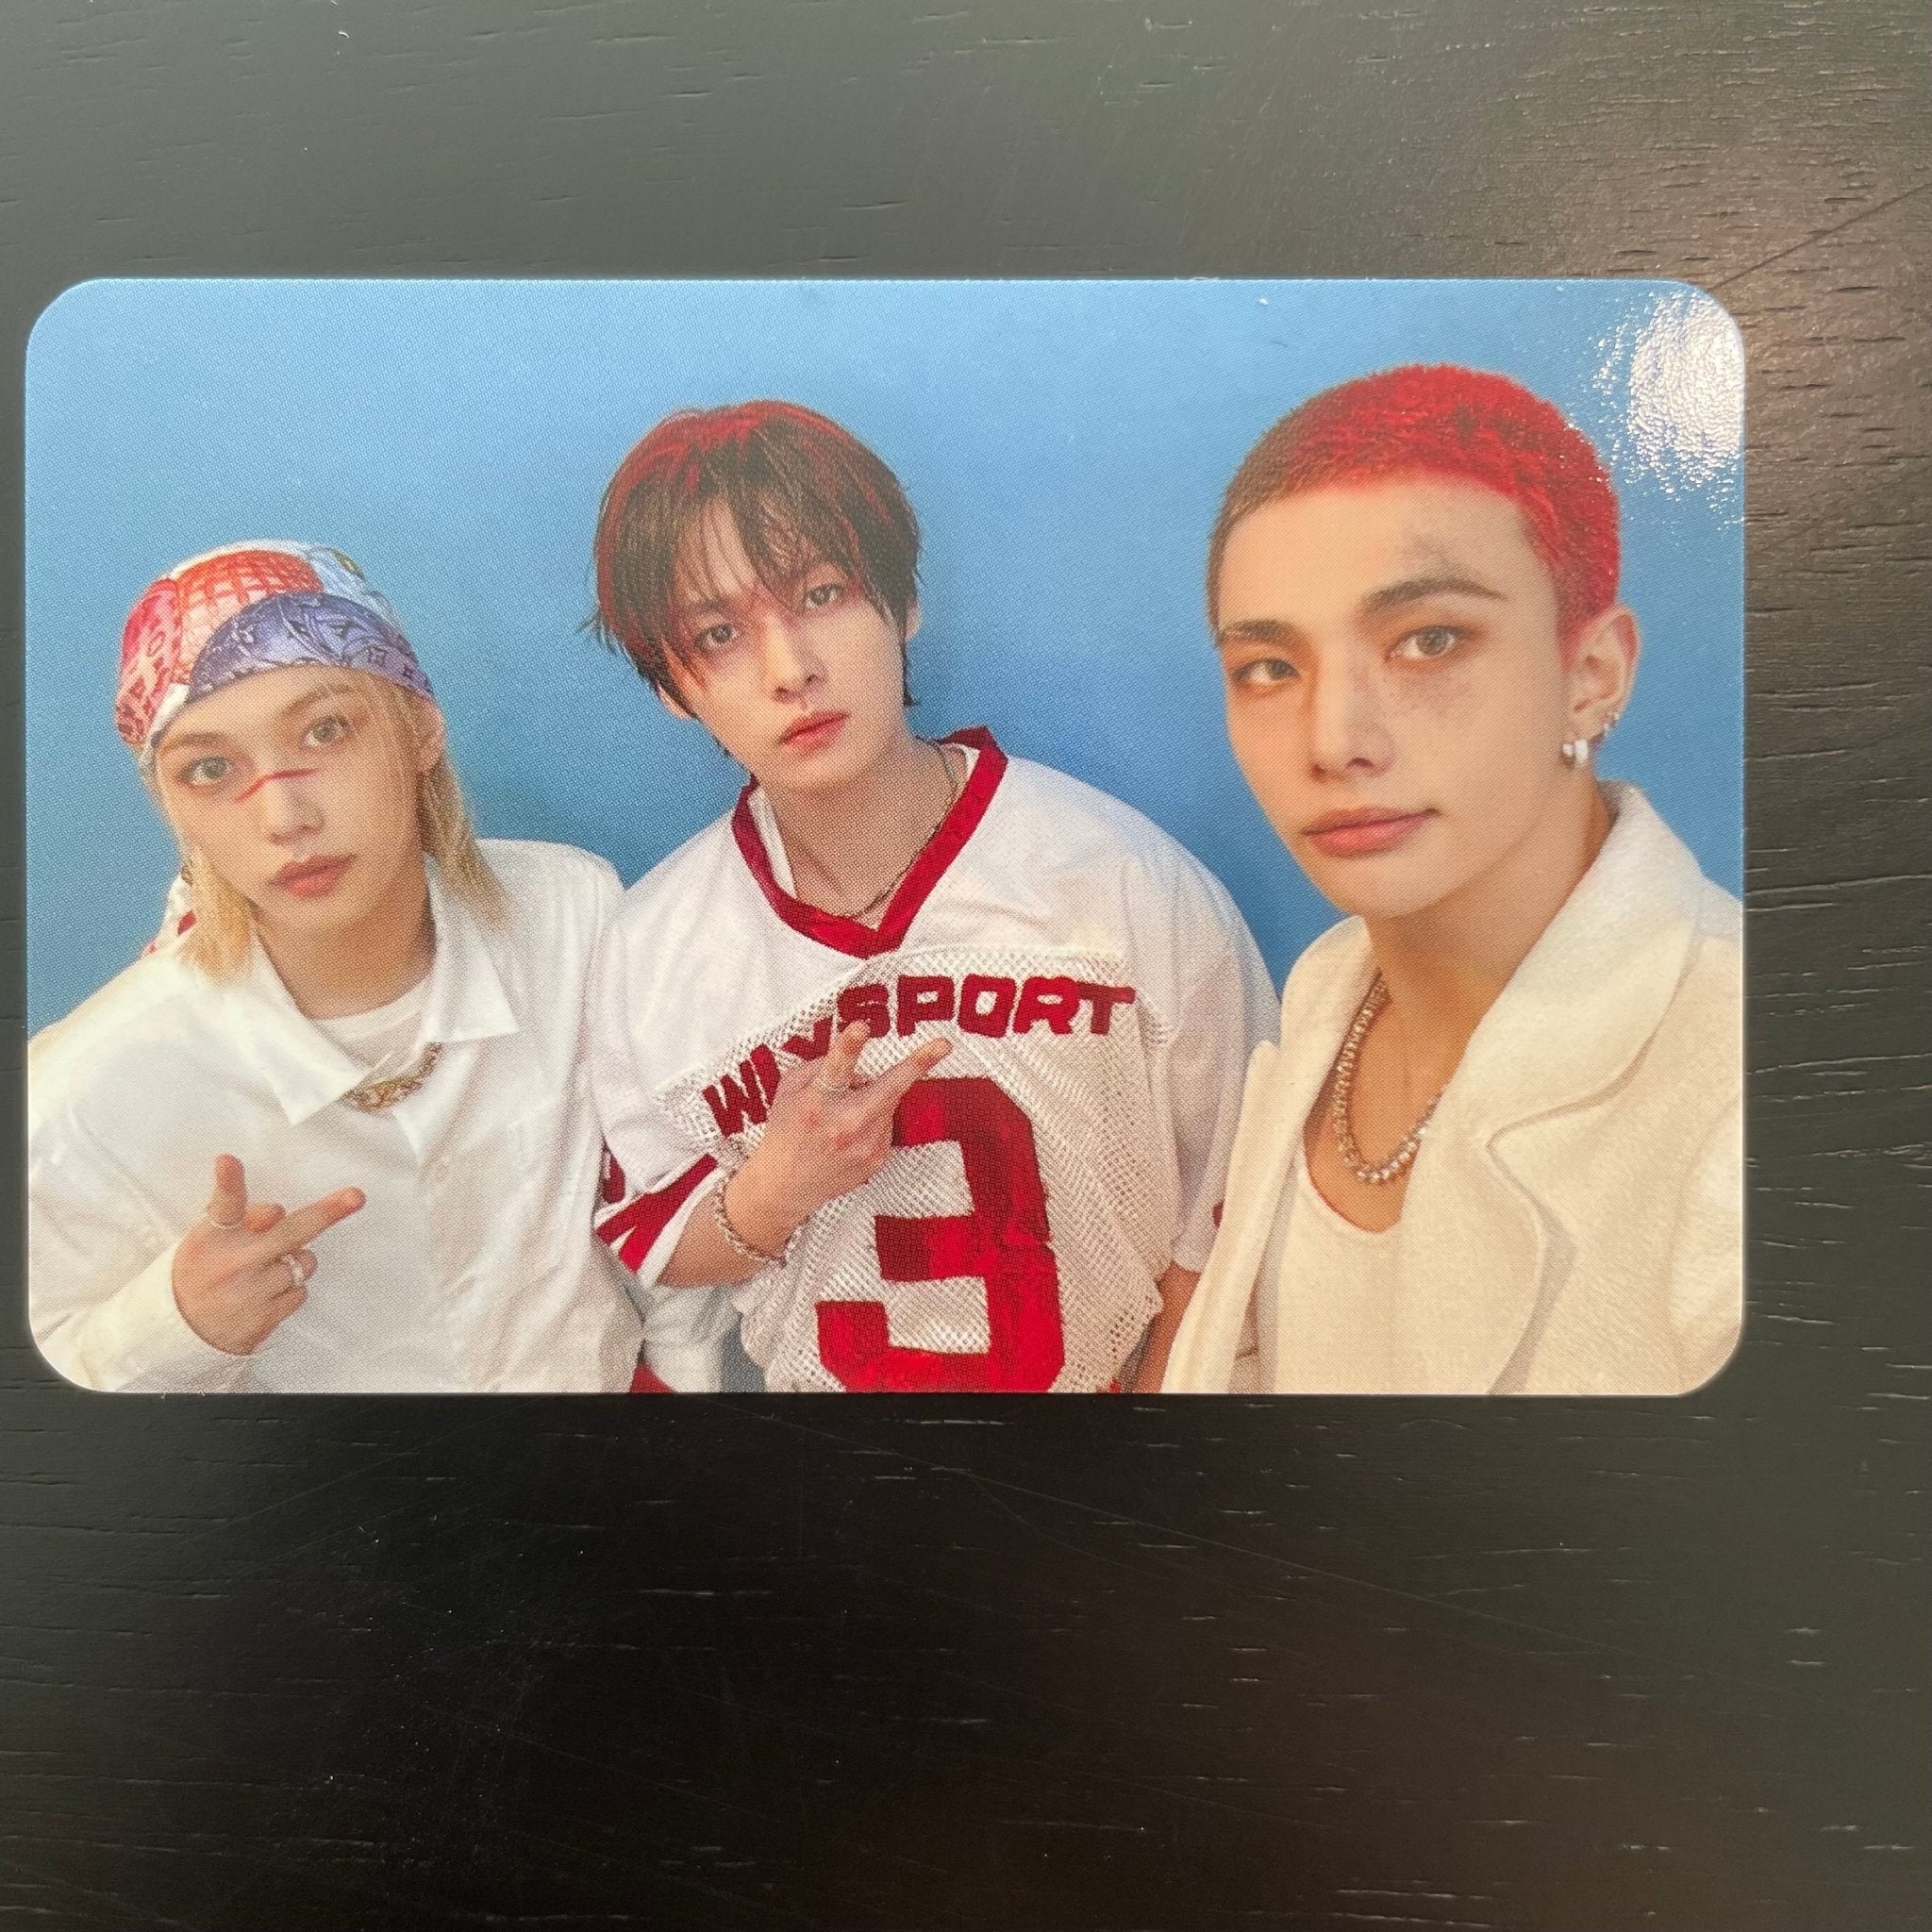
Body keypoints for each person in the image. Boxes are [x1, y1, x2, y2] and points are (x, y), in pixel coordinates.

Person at [587, 401, 1274, 1392]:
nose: (790, 669)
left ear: (901, 602)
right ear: (670, 686)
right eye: (720, 632)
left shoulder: (1121, 881)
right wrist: (772, 1192)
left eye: (822, 592)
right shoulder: (650, 950)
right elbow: (655, 1238)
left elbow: (1230, 1221)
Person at [1163, 365, 1743, 1396]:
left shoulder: (1742, 1107)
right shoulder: (1326, 988)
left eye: (1427, 641)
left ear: (1592, 677)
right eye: (1269, 667)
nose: (1333, 740)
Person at [29, 540, 642, 1392]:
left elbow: (660, 1193)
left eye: (325, 730)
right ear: (172, 806)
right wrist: (174, 1325)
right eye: (211, 769)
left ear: (420, 729)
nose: (284, 816)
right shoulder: (89, 1089)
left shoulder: (571, 912)